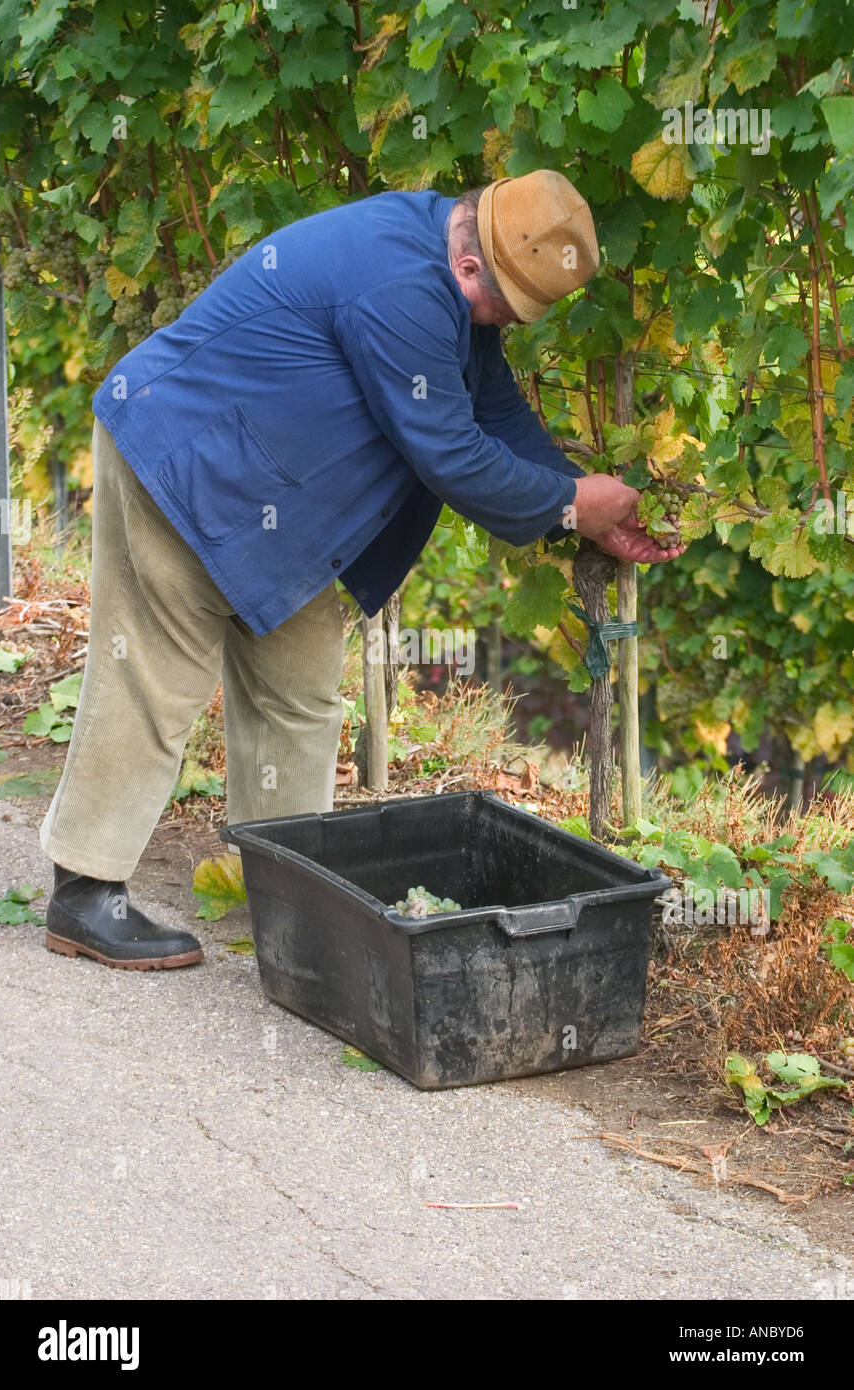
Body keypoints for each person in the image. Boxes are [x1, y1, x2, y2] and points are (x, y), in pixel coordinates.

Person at [41, 168, 684, 971]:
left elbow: (495, 409)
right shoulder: (401, 286)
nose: (499, 326)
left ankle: (292, 903)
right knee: (155, 676)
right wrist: (566, 504)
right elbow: (450, 451)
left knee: (299, 696)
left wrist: (589, 511)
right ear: (471, 265)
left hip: (281, 503)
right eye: (500, 310)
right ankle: (84, 891)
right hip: (185, 459)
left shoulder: (454, 257)